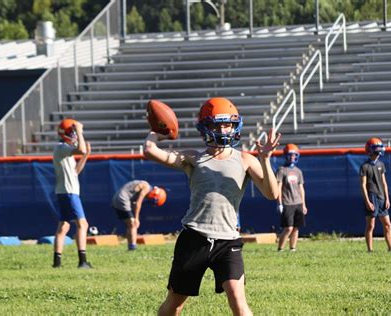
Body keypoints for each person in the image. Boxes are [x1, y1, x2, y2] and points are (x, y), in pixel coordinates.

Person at [144, 97, 280, 316]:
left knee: (238, 300)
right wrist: (157, 131)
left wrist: (265, 159)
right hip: (194, 238)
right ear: (205, 127)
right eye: (217, 124)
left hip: (227, 241)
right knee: (175, 303)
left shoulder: (246, 159)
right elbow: (150, 151)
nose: (223, 129)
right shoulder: (194, 157)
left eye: (227, 124)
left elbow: (272, 194)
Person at [52, 118, 92, 269]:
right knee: (83, 224)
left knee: (64, 227)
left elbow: (74, 172)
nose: (75, 135)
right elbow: (80, 148)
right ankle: (82, 261)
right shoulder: (61, 147)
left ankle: (57, 262)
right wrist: (80, 132)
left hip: (66, 191)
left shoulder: (64, 150)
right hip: (69, 192)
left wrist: (86, 156)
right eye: (73, 133)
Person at [360, 137, 391, 252]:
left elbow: (384, 183)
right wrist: (367, 201)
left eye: (380, 147)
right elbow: (363, 185)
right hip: (372, 197)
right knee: (371, 225)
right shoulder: (364, 166)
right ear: (369, 149)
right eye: (376, 148)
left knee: (388, 224)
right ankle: (370, 250)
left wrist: (387, 199)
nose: (379, 150)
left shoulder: (381, 164)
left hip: (381, 198)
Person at [112, 180, 167, 250]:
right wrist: (136, 218)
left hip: (117, 199)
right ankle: (132, 247)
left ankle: (130, 246)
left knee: (130, 224)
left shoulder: (143, 185)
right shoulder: (146, 187)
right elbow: (138, 203)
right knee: (133, 224)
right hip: (122, 199)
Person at [276, 144, 307, 252]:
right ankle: (280, 249)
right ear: (285, 156)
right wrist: (279, 203)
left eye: (294, 155)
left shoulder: (298, 171)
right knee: (288, 228)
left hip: (298, 202)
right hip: (287, 202)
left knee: (296, 228)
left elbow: (301, 188)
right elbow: (278, 187)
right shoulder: (282, 170)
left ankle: (292, 248)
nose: (292, 157)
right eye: (290, 155)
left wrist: (303, 204)